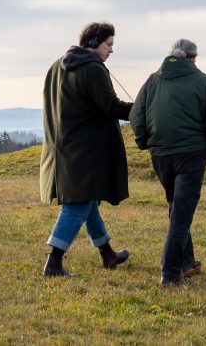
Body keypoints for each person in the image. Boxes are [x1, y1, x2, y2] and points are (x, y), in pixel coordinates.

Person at [130, 38, 206, 287]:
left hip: (160, 154)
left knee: (177, 208)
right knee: (181, 213)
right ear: (193, 58)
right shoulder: (204, 81)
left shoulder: (152, 80)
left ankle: (187, 261)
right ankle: (171, 274)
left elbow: (136, 114)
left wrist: (144, 141)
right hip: (192, 153)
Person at [39, 22, 133, 277]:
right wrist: (141, 111)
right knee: (78, 203)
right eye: (108, 44)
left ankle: (108, 254)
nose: (111, 51)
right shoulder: (93, 69)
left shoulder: (56, 66)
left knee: (88, 198)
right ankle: (54, 262)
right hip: (85, 149)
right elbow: (110, 106)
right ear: (93, 43)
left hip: (61, 146)